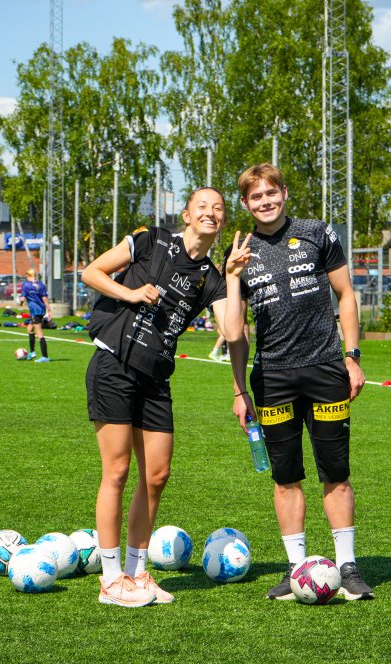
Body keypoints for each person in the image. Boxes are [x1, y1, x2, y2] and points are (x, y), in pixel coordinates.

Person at [224, 163, 373, 602]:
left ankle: (347, 567)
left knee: (336, 473)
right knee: (285, 477)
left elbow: (346, 295)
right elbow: (235, 333)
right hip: (272, 380)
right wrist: (232, 276)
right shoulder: (241, 253)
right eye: (256, 197)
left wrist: (352, 357)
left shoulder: (316, 232)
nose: (265, 201)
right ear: (246, 203)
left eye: (271, 193)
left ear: (284, 193)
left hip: (326, 369)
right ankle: (296, 570)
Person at [81, 187, 237, 607]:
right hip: (114, 365)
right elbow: (91, 272)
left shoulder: (213, 277)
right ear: (186, 214)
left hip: (155, 378)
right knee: (116, 471)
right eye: (202, 206)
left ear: (222, 222)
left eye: (218, 208)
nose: (210, 212)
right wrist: (131, 293)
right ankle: (111, 580)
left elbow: (234, 330)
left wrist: (235, 277)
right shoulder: (151, 240)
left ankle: (136, 572)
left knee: (157, 475)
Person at [18, 269, 51, 363]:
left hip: (35, 311)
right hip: (41, 310)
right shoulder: (41, 284)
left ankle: (45, 357)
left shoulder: (26, 284)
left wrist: (20, 303)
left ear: (28, 275)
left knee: (39, 333)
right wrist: (49, 310)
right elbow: (44, 299)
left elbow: (23, 298)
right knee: (29, 329)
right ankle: (32, 352)